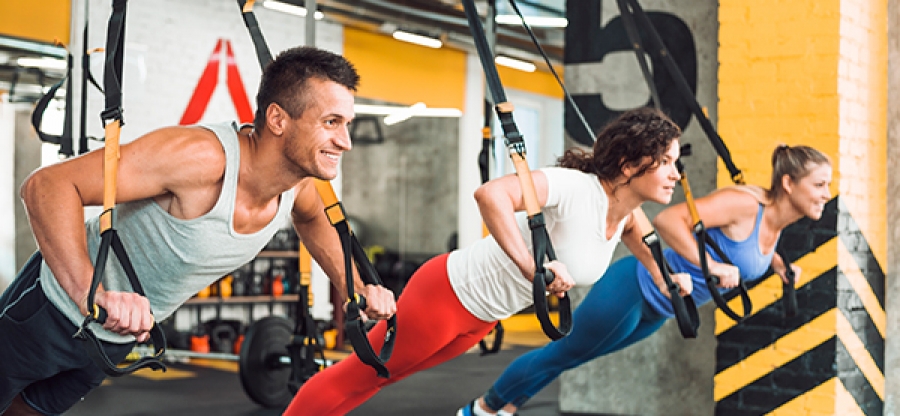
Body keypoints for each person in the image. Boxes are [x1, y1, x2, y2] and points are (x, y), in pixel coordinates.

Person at [0, 46, 396, 416]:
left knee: (30, 411)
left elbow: (312, 218)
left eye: (346, 124)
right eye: (331, 123)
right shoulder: (201, 159)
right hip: (51, 308)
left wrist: (354, 288)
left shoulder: (297, 186)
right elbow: (46, 187)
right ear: (277, 119)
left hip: (114, 336)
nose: (344, 141)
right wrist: (94, 295)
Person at [285, 107, 689, 415]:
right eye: (666, 162)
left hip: (483, 316)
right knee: (357, 376)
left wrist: (665, 278)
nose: (675, 174)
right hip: (446, 296)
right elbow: (490, 195)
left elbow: (639, 237)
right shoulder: (575, 188)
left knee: (383, 377)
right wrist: (534, 270)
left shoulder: (622, 212)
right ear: (630, 165)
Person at [458, 144, 832, 416]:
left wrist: (779, 266)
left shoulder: (777, 222)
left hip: (662, 308)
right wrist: (713, 269)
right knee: (561, 353)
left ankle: (505, 408)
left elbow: (751, 253)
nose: (826, 194)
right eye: (819, 185)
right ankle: (482, 408)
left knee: (569, 359)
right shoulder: (746, 204)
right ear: (788, 183)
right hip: (636, 289)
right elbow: (670, 221)